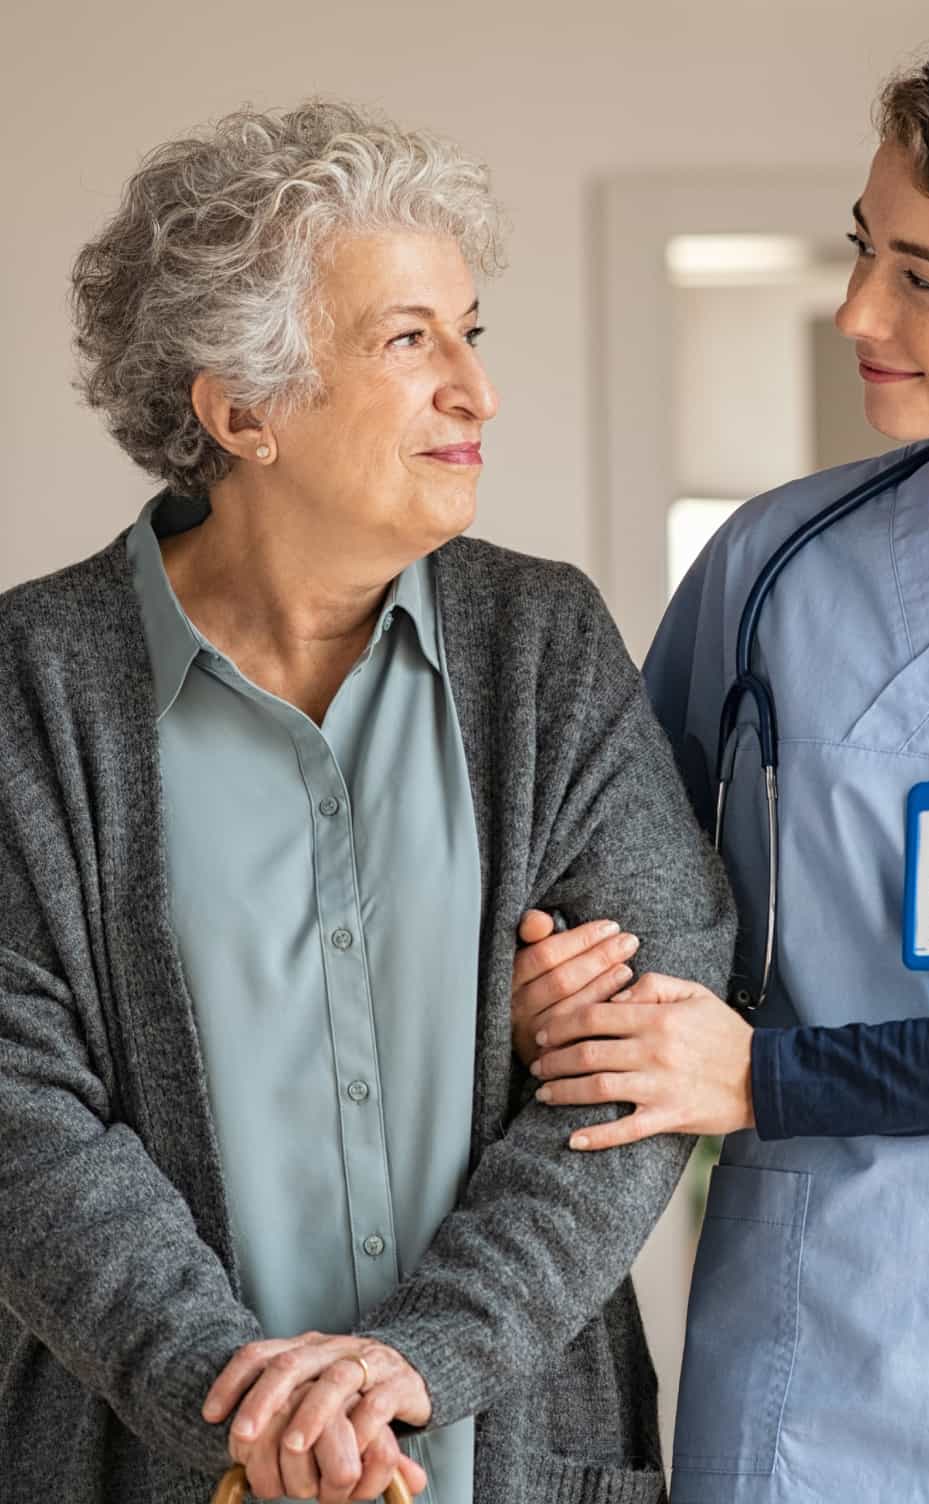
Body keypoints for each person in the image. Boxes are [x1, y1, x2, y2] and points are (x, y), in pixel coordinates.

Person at [0, 101, 735, 1504]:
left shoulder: (542, 645)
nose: (476, 391)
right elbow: (20, 1115)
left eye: (472, 332)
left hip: (508, 1459)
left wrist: (424, 1359)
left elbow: (652, 1038)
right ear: (240, 411)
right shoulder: (30, 688)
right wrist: (245, 1408)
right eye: (411, 341)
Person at [514, 28, 929, 1501]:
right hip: (805, 1357)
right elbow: (625, 880)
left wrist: (772, 1077)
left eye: (918, 275)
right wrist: (565, 976)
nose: (852, 310)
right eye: (861, 253)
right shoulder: (773, 564)